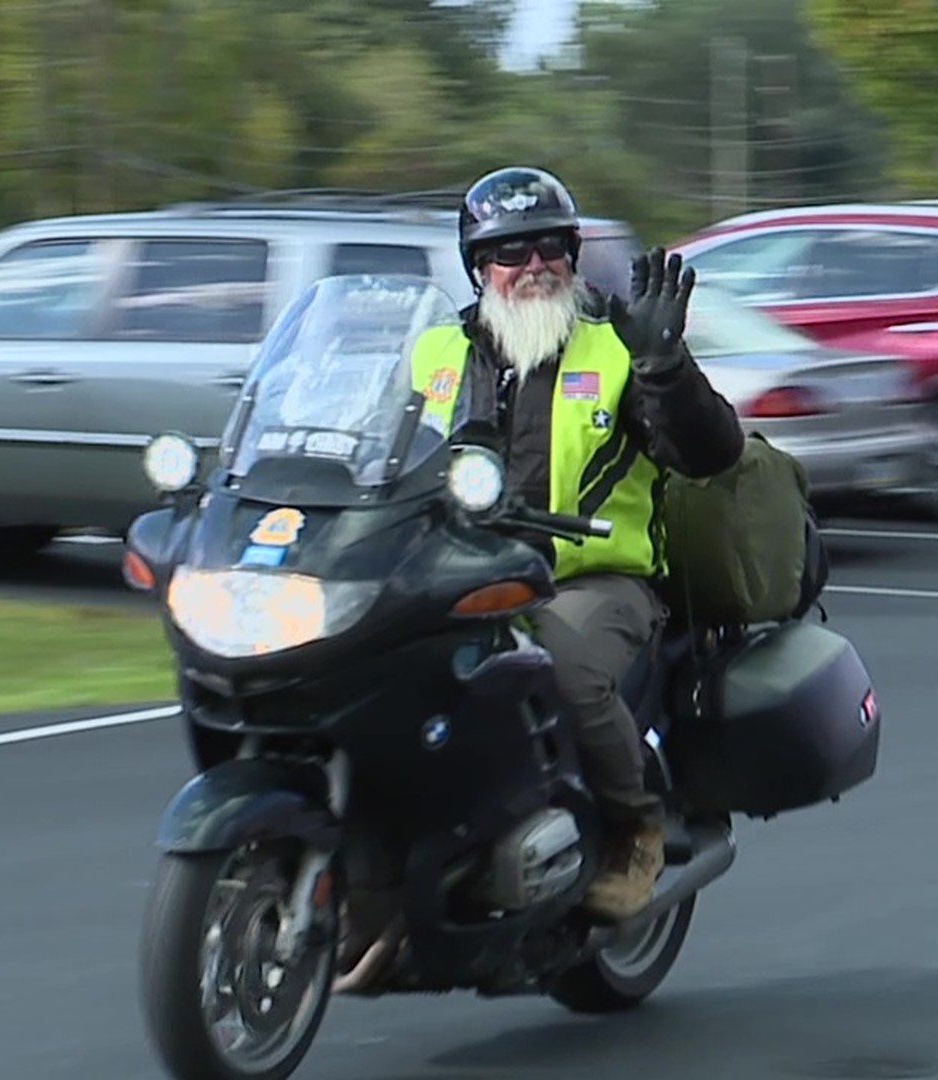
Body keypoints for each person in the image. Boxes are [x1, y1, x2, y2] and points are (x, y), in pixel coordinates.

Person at [334, 166, 744, 997]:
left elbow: (711, 455)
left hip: (594, 578)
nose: (534, 264)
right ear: (475, 263)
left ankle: (634, 830)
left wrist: (668, 369)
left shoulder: (618, 344)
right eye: (508, 250)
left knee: (560, 667)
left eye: (551, 246)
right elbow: (367, 457)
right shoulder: (433, 352)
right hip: (454, 579)